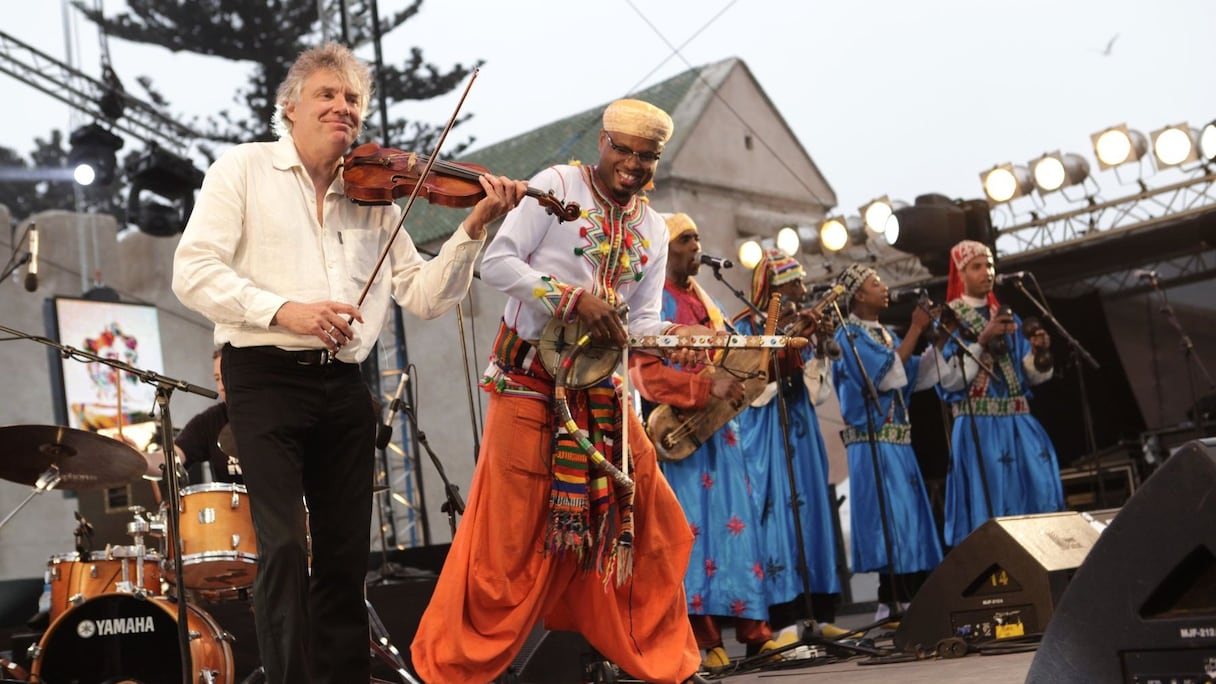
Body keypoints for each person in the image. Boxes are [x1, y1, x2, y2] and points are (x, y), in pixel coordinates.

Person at [172, 42, 526, 684]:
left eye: (353, 99)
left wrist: (473, 227)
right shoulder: (243, 170)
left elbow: (422, 296)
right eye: (327, 95)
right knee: (281, 549)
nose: (344, 108)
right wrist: (285, 310)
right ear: (290, 108)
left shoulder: (377, 198)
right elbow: (192, 272)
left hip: (343, 385)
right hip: (264, 376)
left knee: (342, 559)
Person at [411, 99, 707, 684]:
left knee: (653, 523)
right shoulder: (556, 187)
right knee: (507, 543)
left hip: (602, 393)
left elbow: (639, 321)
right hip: (526, 384)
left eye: (644, 157)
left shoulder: (651, 226)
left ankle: (665, 662)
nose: (631, 164)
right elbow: (497, 262)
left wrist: (674, 337)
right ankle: (453, 670)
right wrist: (570, 297)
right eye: (621, 150)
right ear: (603, 141)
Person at [629, 213, 779, 671]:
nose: (697, 247)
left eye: (697, 238)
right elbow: (643, 374)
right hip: (681, 438)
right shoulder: (653, 304)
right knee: (691, 537)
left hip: (721, 434)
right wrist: (702, 389)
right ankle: (703, 639)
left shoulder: (706, 299)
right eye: (687, 239)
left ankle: (755, 634)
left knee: (736, 532)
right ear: (664, 249)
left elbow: (730, 355)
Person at [732, 249, 844, 642]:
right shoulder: (744, 326)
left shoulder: (800, 323)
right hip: (765, 434)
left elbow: (817, 392)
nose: (803, 288)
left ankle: (818, 612)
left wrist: (820, 346)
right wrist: (789, 345)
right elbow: (752, 388)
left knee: (812, 511)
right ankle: (782, 620)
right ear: (775, 288)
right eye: (794, 282)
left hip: (800, 427)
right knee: (774, 515)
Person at [830, 263, 944, 620]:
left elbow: (910, 377)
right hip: (873, 442)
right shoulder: (848, 335)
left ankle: (909, 596)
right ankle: (890, 601)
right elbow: (883, 377)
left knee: (907, 520)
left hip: (897, 441)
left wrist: (939, 336)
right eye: (876, 283)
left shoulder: (885, 334)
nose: (885, 288)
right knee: (886, 520)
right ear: (858, 295)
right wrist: (916, 328)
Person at [935, 240, 1063, 547]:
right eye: (977, 266)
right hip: (980, 426)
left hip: (1018, 421)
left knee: (1041, 491)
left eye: (990, 265)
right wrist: (983, 338)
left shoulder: (1008, 317)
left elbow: (1026, 377)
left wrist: (1039, 354)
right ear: (961, 274)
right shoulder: (951, 318)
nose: (986, 272)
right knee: (993, 502)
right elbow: (950, 380)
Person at [144, 348, 243, 486]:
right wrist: (135, 458)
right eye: (217, 378)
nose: (221, 386)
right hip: (231, 507)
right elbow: (167, 460)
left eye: (226, 376)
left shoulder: (275, 413)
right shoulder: (210, 420)